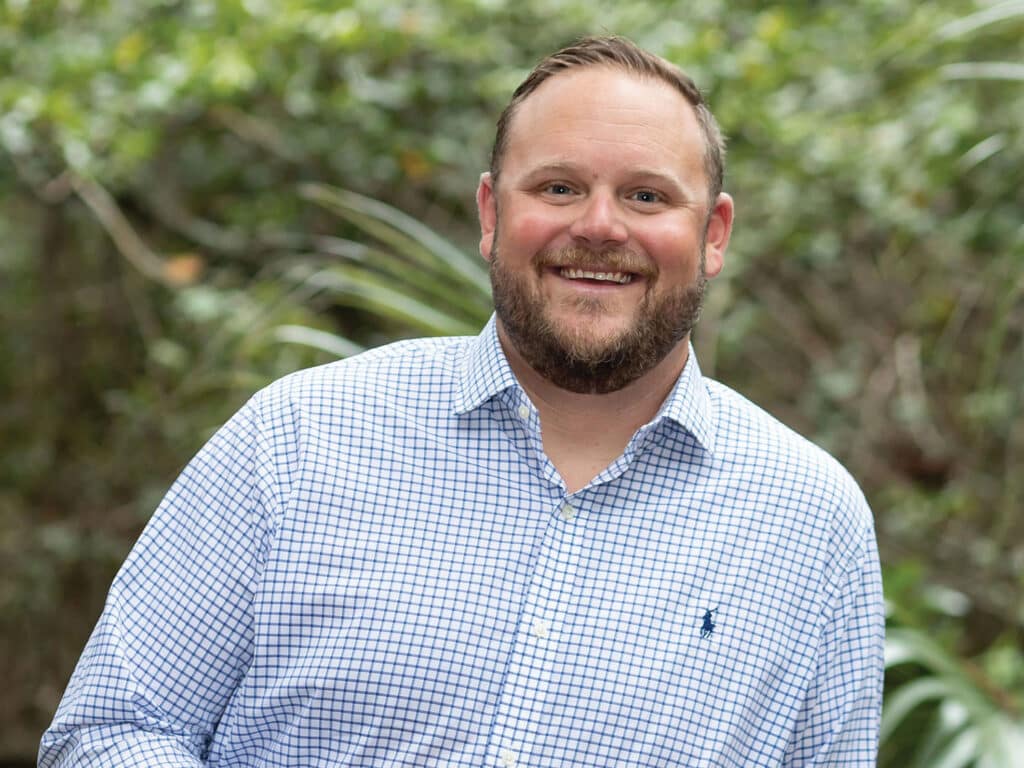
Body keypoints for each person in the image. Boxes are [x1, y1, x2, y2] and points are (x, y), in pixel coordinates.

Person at [40, 36, 884, 767]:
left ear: (715, 233)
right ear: (490, 212)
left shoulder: (809, 520)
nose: (599, 226)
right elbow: (113, 729)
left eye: (647, 196)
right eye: (556, 188)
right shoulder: (296, 437)